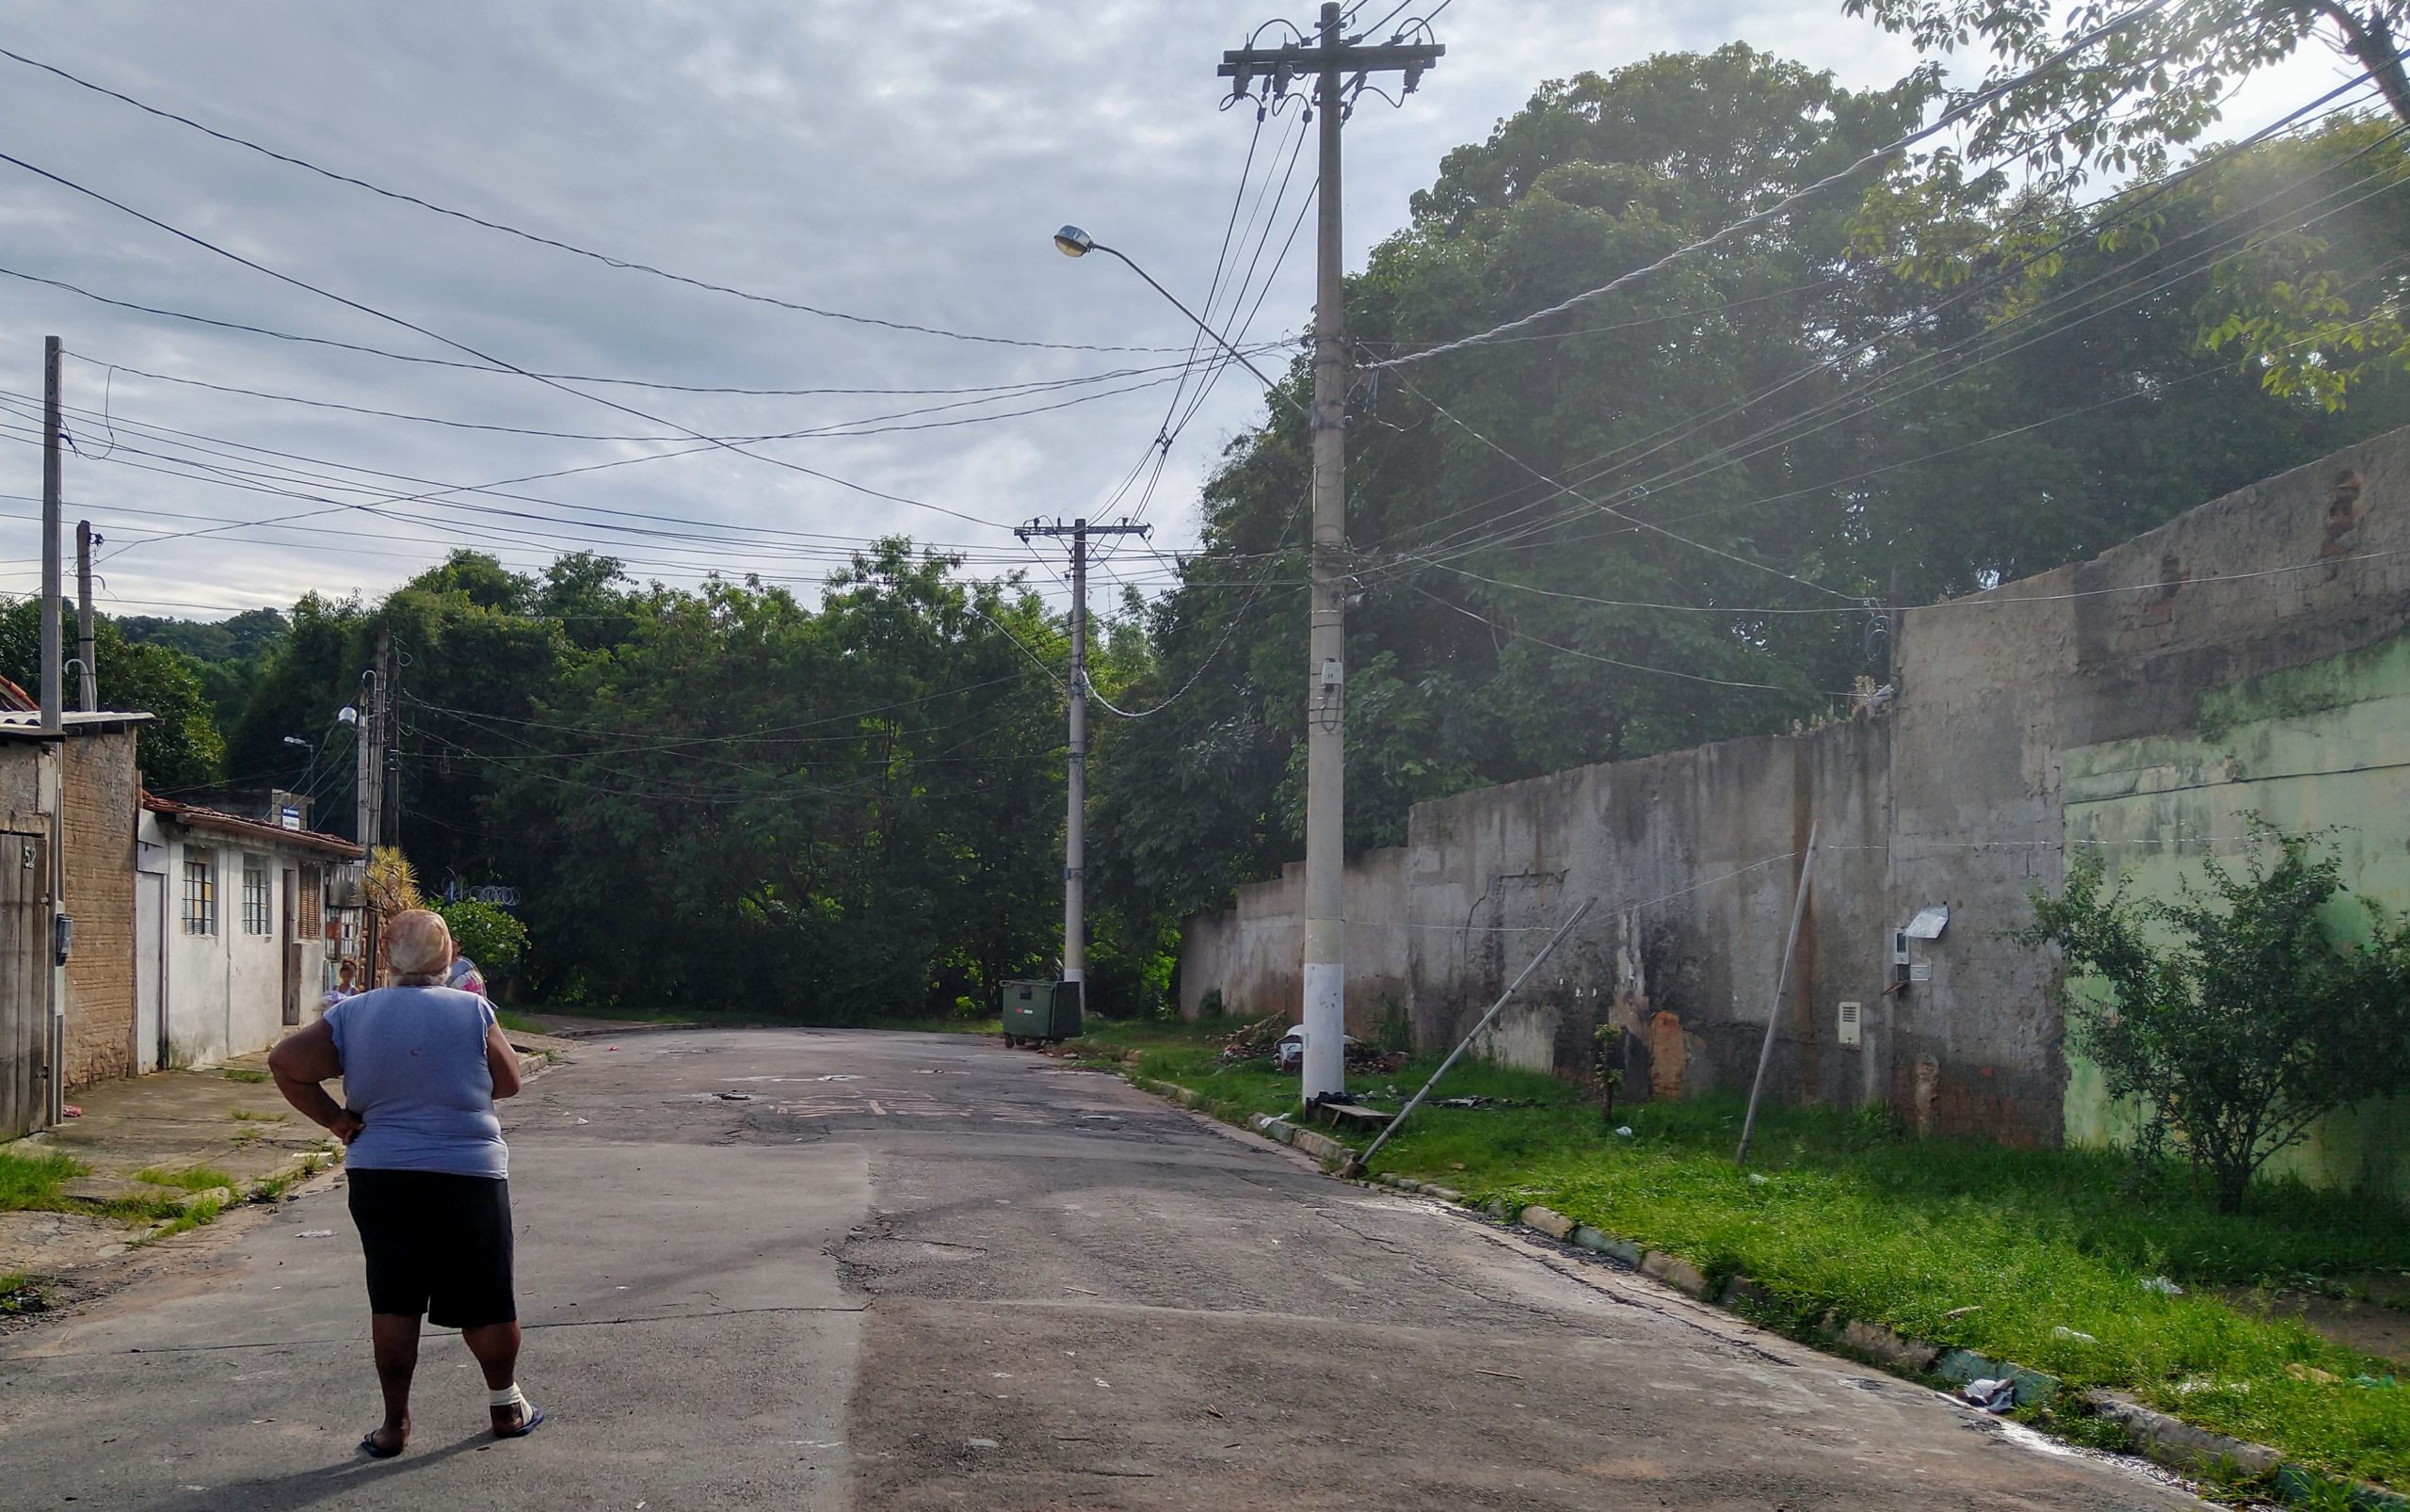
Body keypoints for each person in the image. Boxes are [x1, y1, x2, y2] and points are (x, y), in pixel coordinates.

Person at [267, 909, 543, 1458]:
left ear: (386, 955)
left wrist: (336, 1120)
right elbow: (509, 1082)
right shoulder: (471, 1009)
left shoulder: (354, 1013)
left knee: (394, 1299)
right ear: (448, 955)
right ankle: (506, 1406)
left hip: (382, 1174)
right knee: (486, 1298)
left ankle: (395, 1426)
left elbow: (285, 1063)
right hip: (468, 1173)